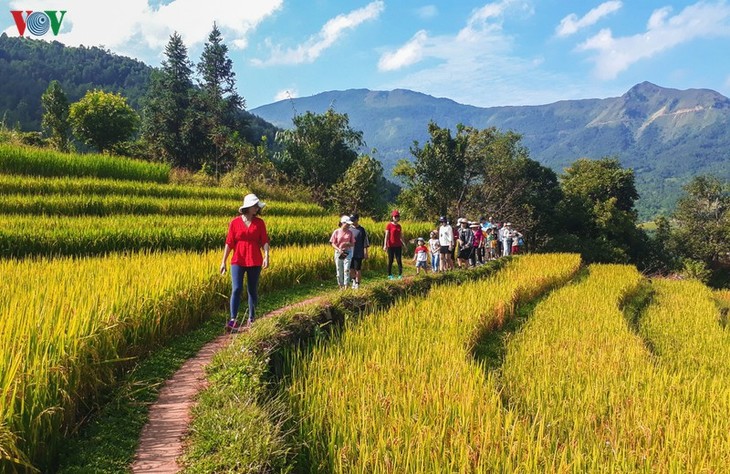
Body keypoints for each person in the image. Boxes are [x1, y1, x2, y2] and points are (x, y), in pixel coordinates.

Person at [220, 193, 270, 331]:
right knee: (236, 289)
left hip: (255, 259)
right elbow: (229, 243)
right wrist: (223, 261)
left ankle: (251, 318)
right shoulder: (234, 223)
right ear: (248, 207)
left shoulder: (260, 223)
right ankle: (232, 319)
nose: (257, 209)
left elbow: (264, 241)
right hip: (238, 259)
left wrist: (266, 255)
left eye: (257, 206)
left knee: (251, 289)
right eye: (254, 206)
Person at [330, 215, 355, 289]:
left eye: (349, 224)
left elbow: (353, 243)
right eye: (347, 224)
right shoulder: (336, 232)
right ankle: (340, 286)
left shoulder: (350, 233)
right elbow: (332, 243)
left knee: (346, 269)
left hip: (347, 252)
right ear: (342, 223)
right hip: (339, 253)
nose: (348, 226)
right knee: (339, 270)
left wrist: (347, 244)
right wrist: (339, 249)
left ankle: (346, 286)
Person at [383, 209, 407, 279]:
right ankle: (389, 274)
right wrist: (385, 245)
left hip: (398, 245)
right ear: (392, 217)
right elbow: (386, 236)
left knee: (399, 260)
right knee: (391, 260)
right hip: (390, 246)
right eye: (395, 216)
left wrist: (404, 245)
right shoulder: (389, 225)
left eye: (397, 217)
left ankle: (400, 275)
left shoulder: (399, 226)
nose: (396, 218)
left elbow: (401, 237)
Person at [348, 214, 369, 289]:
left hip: (359, 252)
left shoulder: (362, 230)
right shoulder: (349, 229)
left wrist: (366, 252)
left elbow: (365, 242)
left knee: (358, 268)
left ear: (357, 219)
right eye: (351, 220)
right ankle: (353, 280)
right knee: (350, 268)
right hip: (350, 252)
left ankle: (357, 283)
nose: (352, 222)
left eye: (354, 220)